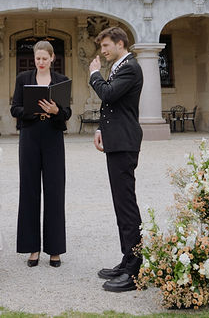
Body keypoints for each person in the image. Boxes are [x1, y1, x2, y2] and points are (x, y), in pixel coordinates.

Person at [87, 26, 144, 293]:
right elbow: (113, 106)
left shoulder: (131, 67)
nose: (103, 51)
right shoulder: (120, 66)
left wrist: (94, 75)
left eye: (106, 46)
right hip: (116, 140)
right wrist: (101, 129)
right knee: (121, 205)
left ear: (120, 43)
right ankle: (126, 259)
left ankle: (134, 270)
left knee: (127, 206)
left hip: (125, 143)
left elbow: (108, 94)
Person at [10, 40, 71, 268]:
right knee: (29, 191)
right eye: (38, 58)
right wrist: (33, 110)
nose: (41, 62)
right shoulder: (23, 79)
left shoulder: (62, 81)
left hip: (53, 137)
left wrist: (56, 111)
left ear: (53, 58)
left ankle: (54, 250)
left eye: (45, 58)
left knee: (55, 192)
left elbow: (67, 112)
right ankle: (32, 249)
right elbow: (14, 108)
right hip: (30, 137)